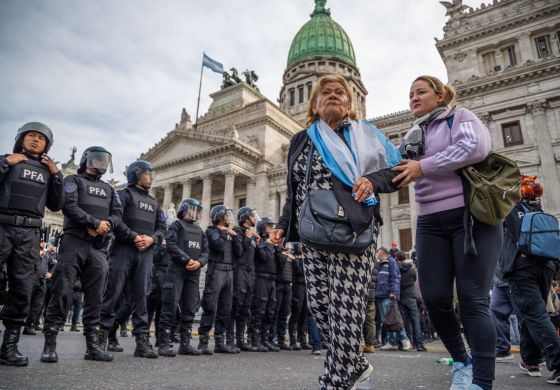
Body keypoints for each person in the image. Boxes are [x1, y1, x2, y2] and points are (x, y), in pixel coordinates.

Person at [271, 74, 401, 389]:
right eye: (325, 92)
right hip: (312, 231)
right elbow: (295, 190)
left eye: (339, 92)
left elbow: (396, 170)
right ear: (313, 104)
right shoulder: (302, 140)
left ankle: (336, 379)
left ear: (349, 102)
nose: (333, 95)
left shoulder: (364, 134)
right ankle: (353, 363)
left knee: (346, 306)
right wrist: (282, 225)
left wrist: (372, 181)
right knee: (319, 304)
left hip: (353, 225)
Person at [393, 75, 500, 390]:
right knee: (435, 298)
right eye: (410, 93)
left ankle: (482, 382)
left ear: (440, 96)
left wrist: (424, 166)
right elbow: (394, 169)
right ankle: (462, 362)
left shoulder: (460, 117)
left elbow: (475, 147)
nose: (413, 97)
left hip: (471, 216)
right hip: (430, 221)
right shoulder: (413, 134)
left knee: (472, 299)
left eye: (421, 91)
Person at [41, 146, 121, 363]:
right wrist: (94, 223)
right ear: (87, 160)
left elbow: (117, 214)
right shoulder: (74, 181)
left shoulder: (110, 189)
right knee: (62, 291)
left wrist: (105, 226)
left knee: (96, 297)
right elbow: (69, 206)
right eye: (97, 159)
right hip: (74, 242)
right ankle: (50, 343)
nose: (101, 164)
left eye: (105, 160)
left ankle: (92, 346)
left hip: (97, 247)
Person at [0, 122, 64, 366]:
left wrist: (57, 175)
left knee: (22, 287)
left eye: (41, 138)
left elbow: (57, 205)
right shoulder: (6, 160)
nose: (36, 140)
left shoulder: (49, 172)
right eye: (31, 136)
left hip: (29, 233)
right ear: (21, 139)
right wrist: (6, 163)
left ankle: (9, 346)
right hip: (3, 226)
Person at [99, 160, 165, 359]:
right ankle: (102, 335)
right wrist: (134, 237)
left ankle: (142, 341)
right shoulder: (123, 195)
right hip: (123, 250)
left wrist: (152, 239)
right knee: (114, 292)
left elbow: (162, 228)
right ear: (135, 174)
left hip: (145, 253)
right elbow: (116, 221)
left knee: (141, 297)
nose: (151, 177)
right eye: (147, 173)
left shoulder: (154, 203)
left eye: (151, 174)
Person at [498, 176, 560, 384]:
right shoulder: (539, 209)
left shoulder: (512, 208)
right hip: (545, 268)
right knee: (532, 314)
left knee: (535, 315)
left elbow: (513, 233)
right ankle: (531, 360)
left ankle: (559, 364)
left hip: (521, 268)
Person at [157, 198, 207, 357]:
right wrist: (187, 259)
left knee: (190, 307)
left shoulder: (200, 230)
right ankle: (164, 343)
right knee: (170, 305)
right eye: (193, 209)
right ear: (184, 209)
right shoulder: (176, 225)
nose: (195, 212)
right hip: (176, 270)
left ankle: (185, 344)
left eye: (197, 210)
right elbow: (171, 245)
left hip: (194, 272)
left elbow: (206, 252)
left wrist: (199, 262)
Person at [197, 205, 237, 355]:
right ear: (220, 216)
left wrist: (235, 236)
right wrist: (223, 232)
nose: (229, 218)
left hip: (229, 272)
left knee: (225, 308)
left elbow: (238, 252)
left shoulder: (229, 233)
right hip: (216, 271)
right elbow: (218, 246)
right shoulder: (211, 231)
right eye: (226, 215)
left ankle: (220, 341)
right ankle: (203, 341)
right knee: (210, 305)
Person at [248, 217, 282, 353]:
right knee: (259, 310)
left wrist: (278, 248)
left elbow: (280, 264)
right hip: (261, 279)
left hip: (272, 281)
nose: (271, 229)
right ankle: (254, 340)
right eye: (269, 227)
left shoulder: (271, 245)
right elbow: (263, 257)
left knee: (270, 311)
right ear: (262, 228)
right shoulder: (259, 243)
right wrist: (267, 244)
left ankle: (265, 339)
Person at [231, 207, 260, 352]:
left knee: (246, 307)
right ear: (246, 218)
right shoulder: (238, 231)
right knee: (237, 303)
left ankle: (240, 340)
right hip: (240, 270)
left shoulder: (253, 235)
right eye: (252, 216)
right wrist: (247, 238)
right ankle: (230, 339)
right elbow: (238, 252)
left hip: (250, 272)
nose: (255, 218)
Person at [376, 248, 413, 352]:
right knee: (393, 319)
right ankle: (403, 341)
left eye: (378, 252)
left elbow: (395, 278)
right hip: (384, 294)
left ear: (382, 253)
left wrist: (393, 292)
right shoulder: (384, 263)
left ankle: (393, 342)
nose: (376, 254)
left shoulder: (391, 262)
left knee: (391, 319)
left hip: (387, 295)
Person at [395, 250, 426, 352]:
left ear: (397, 259)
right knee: (415, 320)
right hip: (411, 297)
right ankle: (419, 345)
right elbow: (414, 280)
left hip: (401, 297)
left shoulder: (397, 269)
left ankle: (405, 343)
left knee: (403, 321)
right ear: (404, 257)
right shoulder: (412, 269)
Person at [23, 242, 52, 335]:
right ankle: (15, 325)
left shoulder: (47, 254)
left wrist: (51, 273)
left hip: (42, 282)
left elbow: (54, 264)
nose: (44, 244)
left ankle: (30, 325)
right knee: (25, 303)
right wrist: (36, 255)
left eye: (45, 242)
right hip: (30, 281)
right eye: (42, 241)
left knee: (37, 306)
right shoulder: (31, 250)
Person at [287, 243, 310, 351]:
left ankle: (303, 340)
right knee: (296, 313)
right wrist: (297, 260)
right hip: (297, 287)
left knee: (304, 314)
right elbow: (299, 272)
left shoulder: (304, 259)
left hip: (305, 287)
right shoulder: (293, 260)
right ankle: (292, 341)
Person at [362, 258, 378, 354]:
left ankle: (359, 343)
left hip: (360, 295)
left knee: (357, 319)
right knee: (370, 321)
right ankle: (370, 345)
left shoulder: (360, 259)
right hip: (371, 295)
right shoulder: (375, 263)